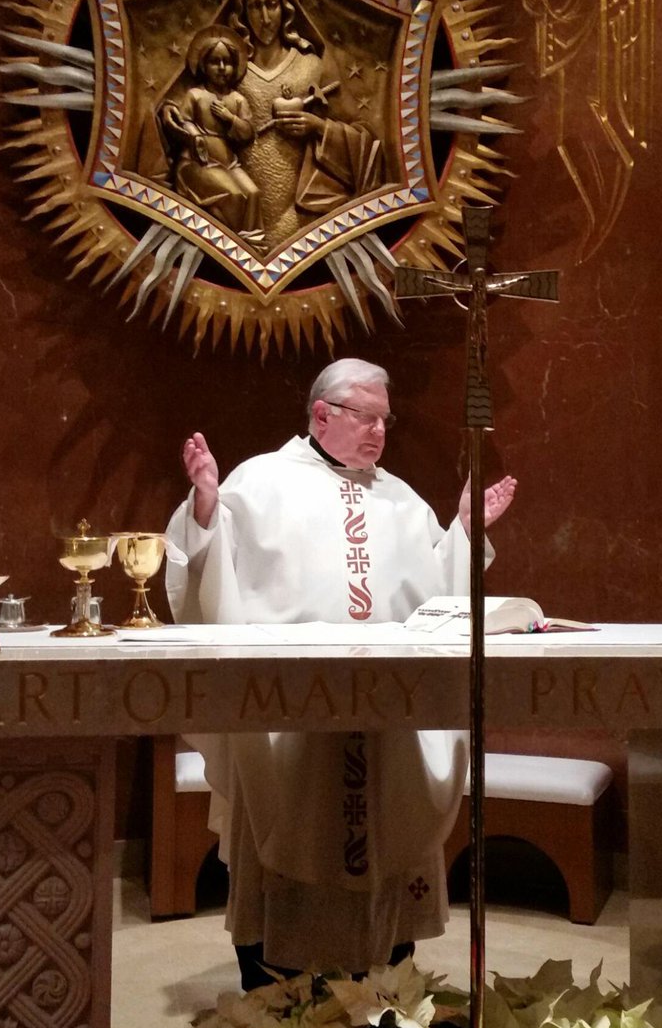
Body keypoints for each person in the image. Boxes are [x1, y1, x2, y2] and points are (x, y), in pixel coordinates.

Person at [165, 359, 516, 988]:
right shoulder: (260, 482)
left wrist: (463, 531)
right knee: (292, 840)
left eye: (385, 418)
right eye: (366, 416)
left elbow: (438, 595)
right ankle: (275, 1014)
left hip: (387, 719)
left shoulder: (400, 498)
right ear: (322, 414)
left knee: (386, 838)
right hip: (288, 718)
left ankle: (388, 1003)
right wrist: (205, 514)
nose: (380, 431)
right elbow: (206, 574)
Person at [217, 0, 384, 248]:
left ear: (286, 9)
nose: (265, 18)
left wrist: (317, 127)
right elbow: (197, 111)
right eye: (255, 7)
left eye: (271, 5)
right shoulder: (229, 71)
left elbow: (365, 139)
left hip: (304, 212)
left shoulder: (311, 67)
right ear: (242, 14)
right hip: (237, 213)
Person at [159, 25, 263, 243]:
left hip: (229, 163)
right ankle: (232, 244)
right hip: (199, 163)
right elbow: (183, 120)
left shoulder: (237, 99)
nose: (222, 68)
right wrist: (194, 134)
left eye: (228, 62)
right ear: (204, 66)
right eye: (215, 62)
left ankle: (253, 242)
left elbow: (247, 133)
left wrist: (230, 118)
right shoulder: (195, 95)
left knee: (253, 193)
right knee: (234, 195)